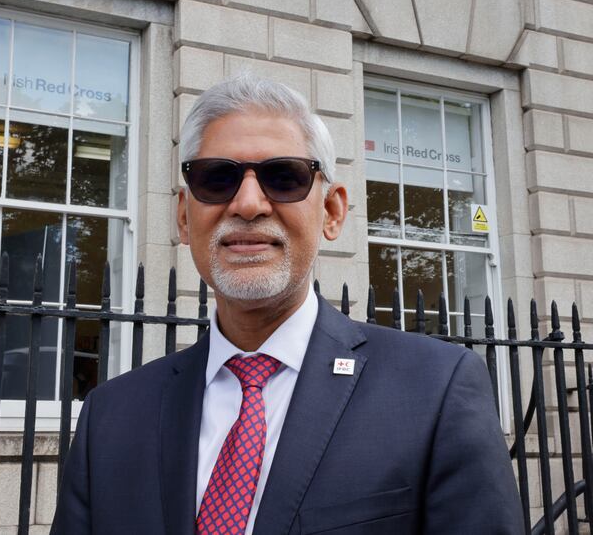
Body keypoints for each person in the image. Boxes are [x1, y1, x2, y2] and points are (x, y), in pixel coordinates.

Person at [51, 74, 523, 534]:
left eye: (283, 177)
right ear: (183, 218)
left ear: (332, 211)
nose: (248, 203)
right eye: (217, 178)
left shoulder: (435, 389)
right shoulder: (109, 417)